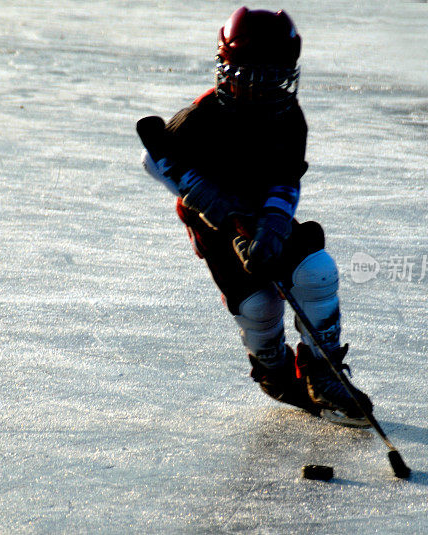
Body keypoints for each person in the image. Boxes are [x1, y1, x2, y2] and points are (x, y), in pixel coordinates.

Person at [138, 6, 372, 426]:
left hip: (266, 216)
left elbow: (285, 181)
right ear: (227, 69)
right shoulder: (199, 119)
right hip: (213, 228)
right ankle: (274, 370)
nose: (263, 91)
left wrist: (274, 226)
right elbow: (154, 159)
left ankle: (324, 371)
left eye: (275, 76)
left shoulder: (288, 119)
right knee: (259, 305)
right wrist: (219, 208)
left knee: (315, 271)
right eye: (252, 76)